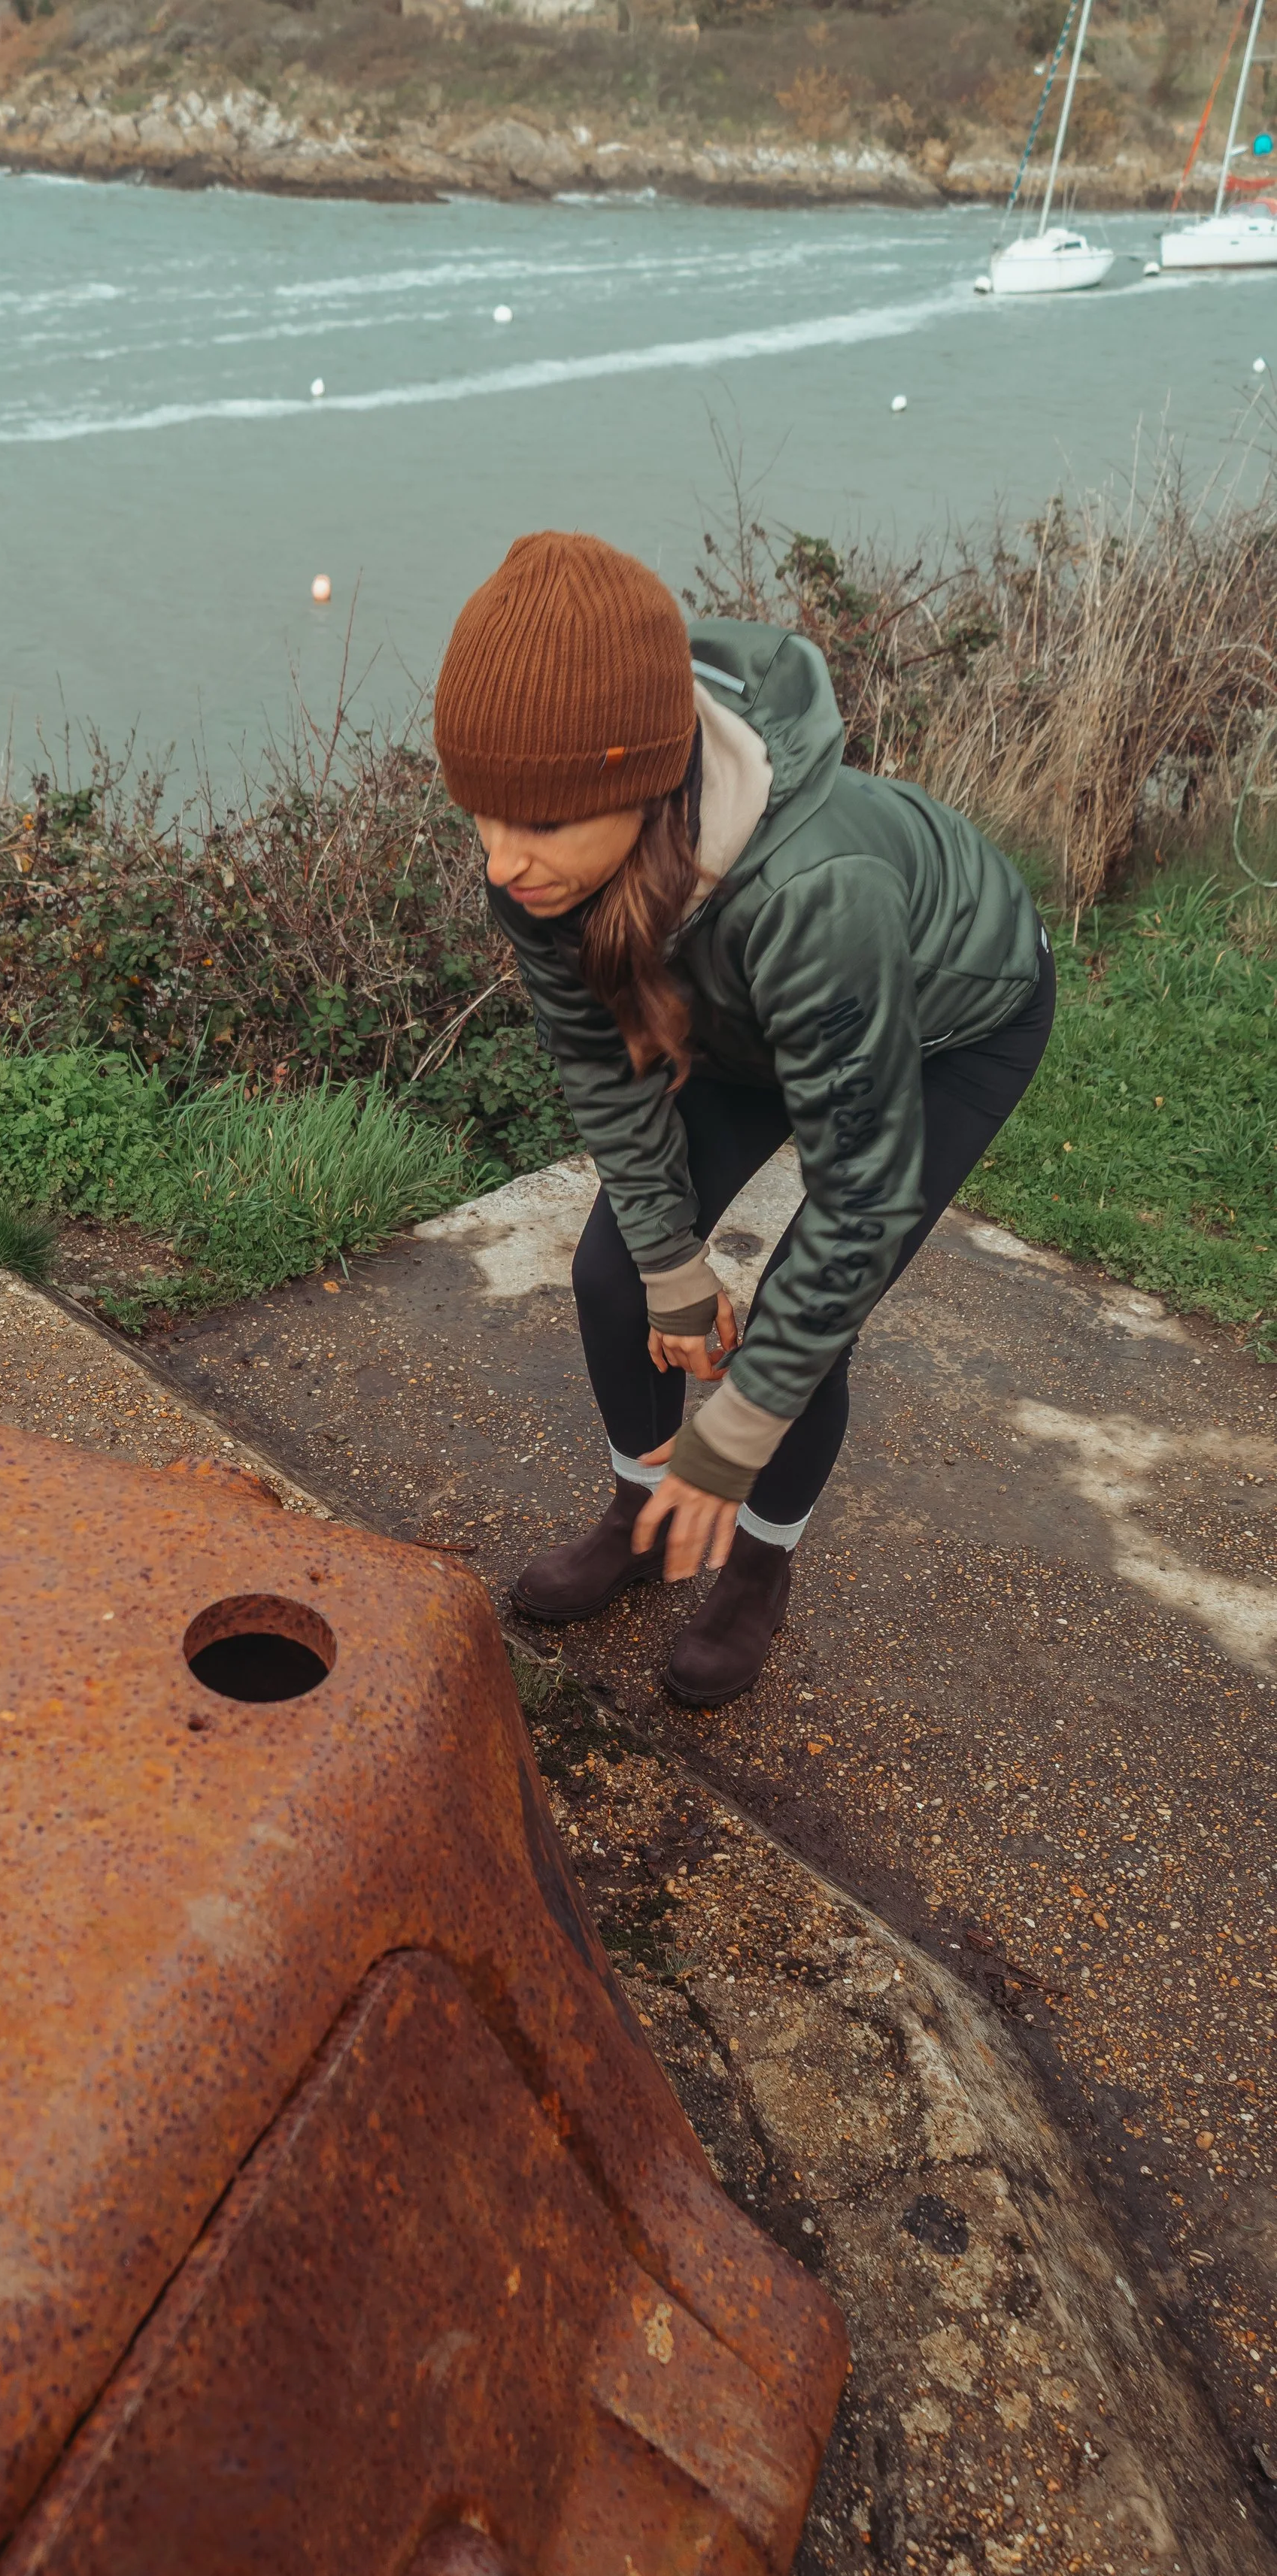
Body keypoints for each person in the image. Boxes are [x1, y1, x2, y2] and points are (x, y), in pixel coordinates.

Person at [432, 530, 1054, 1706]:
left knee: (805, 1322)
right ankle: (640, 1511)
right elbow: (595, 1056)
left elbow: (859, 1195)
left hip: (949, 1021)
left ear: (644, 779)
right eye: (482, 815)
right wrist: (670, 1256)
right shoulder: (538, 852)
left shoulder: (819, 888)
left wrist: (740, 1424)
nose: (503, 861)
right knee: (619, 1273)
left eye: (542, 825)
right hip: (746, 1011)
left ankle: (757, 1569)